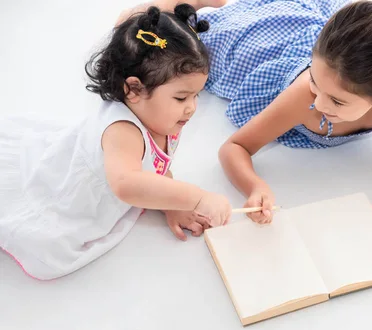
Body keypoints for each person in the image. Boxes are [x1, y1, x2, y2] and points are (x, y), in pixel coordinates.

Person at [120, 0, 372, 282]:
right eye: (316, 84)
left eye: (338, 102)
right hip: (263, 48)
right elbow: (235, 147)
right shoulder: (305, 94)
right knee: (159, 38)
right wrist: (255, 186)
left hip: (333, 52)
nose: (320, 104)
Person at [0, 4, 231, 280]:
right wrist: (196, 197)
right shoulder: (123, 131)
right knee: (41, 238)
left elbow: (155, 165)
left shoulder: (163, 115)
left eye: (197, 96)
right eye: (181, 98)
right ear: (133, 89)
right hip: (68, 192)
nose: (192, 108)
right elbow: (127, 183)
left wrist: (171, 202)